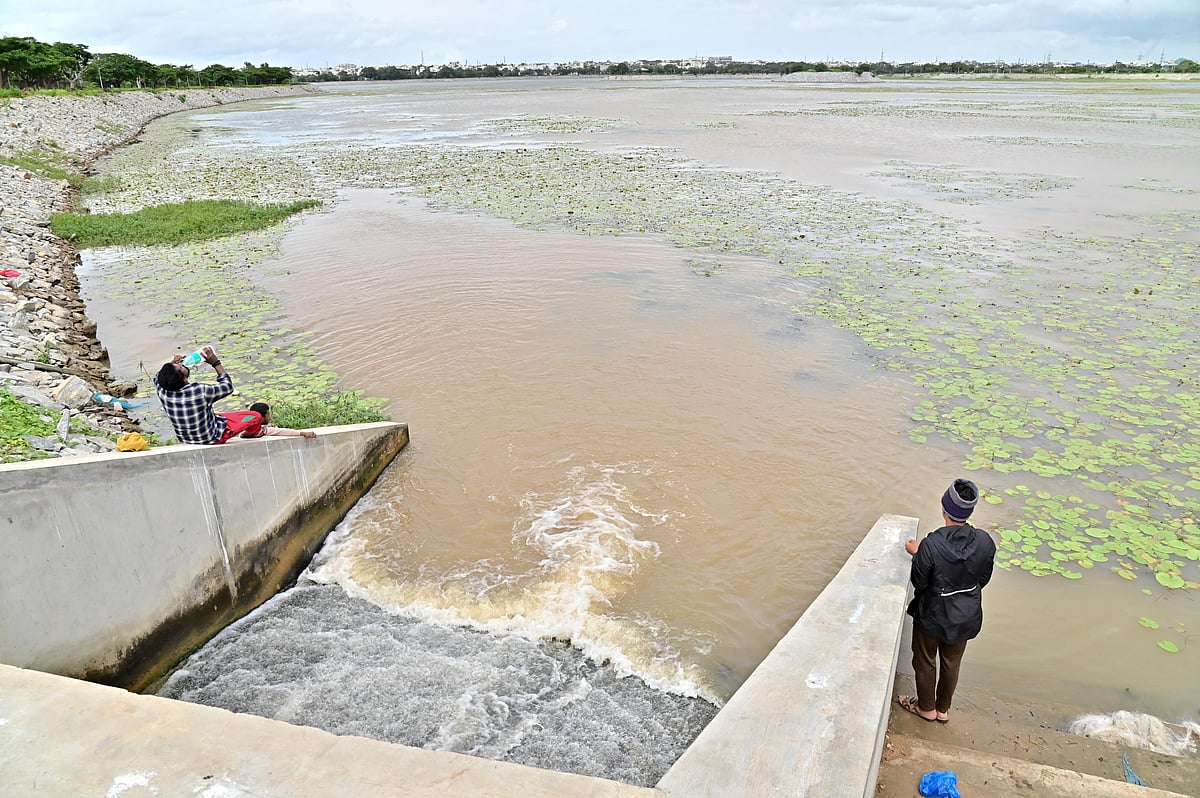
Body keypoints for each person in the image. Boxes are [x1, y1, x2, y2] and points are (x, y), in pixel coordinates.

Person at [897, 478, 996, 723]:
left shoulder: (931, 545)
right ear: (970, 511)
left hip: (932, 615)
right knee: (952, 661)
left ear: (943, 509)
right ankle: (942, 710)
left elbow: (919, 581)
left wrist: (918, 554)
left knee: (925, 660)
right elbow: (983, 578)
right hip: (965, 615)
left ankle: (926, 708)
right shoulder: (984, 542)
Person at [153, 346, 263, 444]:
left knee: (218, 415)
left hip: (185, 438)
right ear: (184, 378)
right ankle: (252, 434)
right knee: (256, 416)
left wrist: (173, 363)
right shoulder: (199, 391)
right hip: (211, 437)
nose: (181, 364)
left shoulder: (162, 390)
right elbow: (228, 387)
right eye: (180, 367)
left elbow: (157, 376)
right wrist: (216, 363)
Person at [241, 402, 317, 439]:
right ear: (262, 417)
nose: (269, 417)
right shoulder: (261, 430)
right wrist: (303, 433)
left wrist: (268, 426)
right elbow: (281, 431)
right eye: (268, 414)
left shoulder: (245, 425)